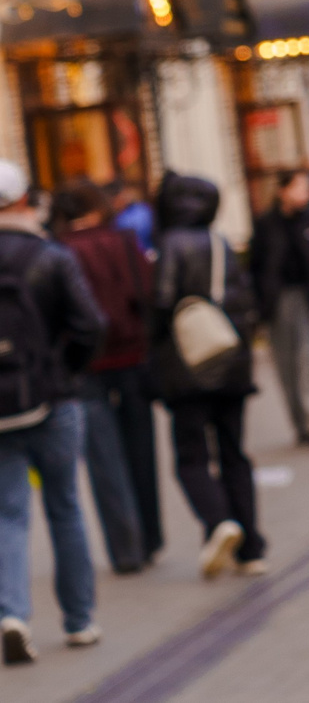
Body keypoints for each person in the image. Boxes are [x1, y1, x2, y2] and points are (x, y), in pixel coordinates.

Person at [0, 163, 102, 662]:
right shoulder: (50, 256)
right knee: (65, 508)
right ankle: (79, 620)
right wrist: (64, 371)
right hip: (54, 401)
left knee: (8, 515)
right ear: (23, 200)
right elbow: (90, 325)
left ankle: (12, 612)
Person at [148, 173, 264, 583]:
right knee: (234, 453)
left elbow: (162, 304)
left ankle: (218, 523)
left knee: (191, 456)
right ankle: (250, 547)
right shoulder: (221, 243)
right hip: (230, 359)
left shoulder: (170, 245)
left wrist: (155, 353)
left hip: (189, 366)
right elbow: (245, 300)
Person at [51, 181, 155, 572]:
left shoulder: (60, 250)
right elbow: (146, 291)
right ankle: (151, 536)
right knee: (140, 446)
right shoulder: (123, 242)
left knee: (103, 458)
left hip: (85, 365)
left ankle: (125, 546)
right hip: (132, 355)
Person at [247, 171, 309, 447]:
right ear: (282, 190)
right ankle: (300, 425)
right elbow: (255, 266)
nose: (305, 194)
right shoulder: (266, 224)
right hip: (278, 301)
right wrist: (259, 304)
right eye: (300, 188)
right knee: (287, 366)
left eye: (307, 189)